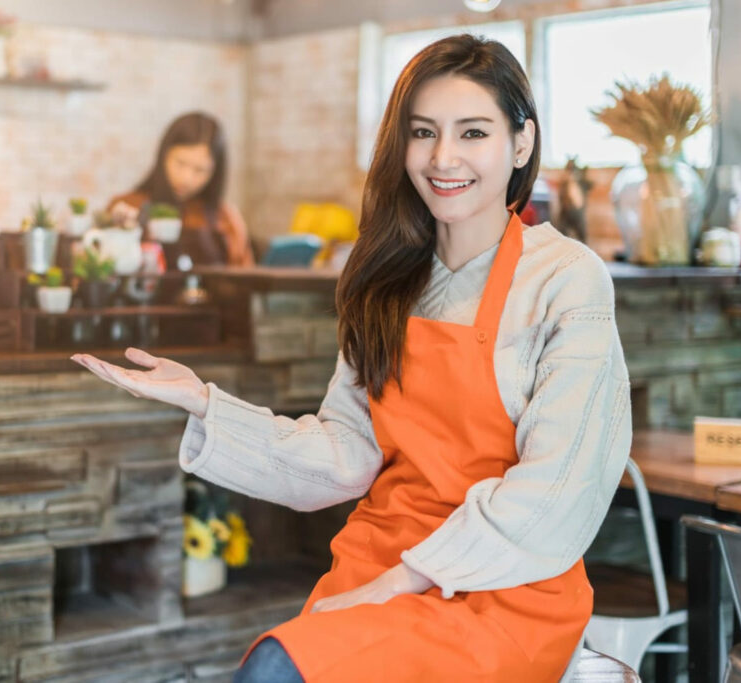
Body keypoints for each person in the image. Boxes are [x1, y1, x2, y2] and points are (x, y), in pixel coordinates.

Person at [74, 34, 631, 682]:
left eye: (473, 132)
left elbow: (559, 491)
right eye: (423, 132)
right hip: (378, 563)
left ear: (523, 143)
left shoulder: (565, 279)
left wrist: (404, 579)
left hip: (504, 588)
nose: (443, 157)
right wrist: (205, 401)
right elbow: (344, 453)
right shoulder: (389, 279)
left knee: (273, 668)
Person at [107, 111, 254, 268]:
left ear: (215, 172)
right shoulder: (127, 207)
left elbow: (245, 278)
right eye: (180, 163)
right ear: (164, 155)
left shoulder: (225, 218)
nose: (186, 179)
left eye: (200, 170)